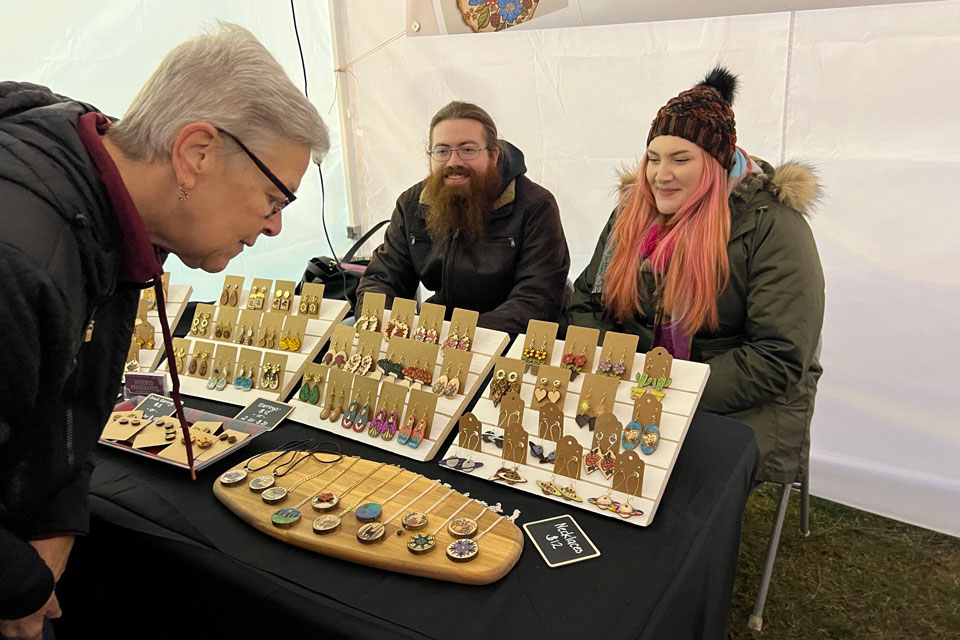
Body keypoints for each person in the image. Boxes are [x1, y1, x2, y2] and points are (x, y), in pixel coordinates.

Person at [0, 23, 328, 639]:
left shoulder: (107, 211)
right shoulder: (21, 252)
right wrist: (16, 583)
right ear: (196, 152)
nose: (277, 227)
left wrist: (58, 519)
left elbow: (75, 396)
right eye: (273, 196)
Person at [569, 67, 824, 484]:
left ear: (714, 164)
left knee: (673, 486)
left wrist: (668, 393)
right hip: (637, 380)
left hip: (734, 400)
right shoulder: (630, 214)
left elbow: (777, 356)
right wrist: (620, 373)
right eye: (653, 158)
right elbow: (587, 301)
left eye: (680, 159)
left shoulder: (771, 227)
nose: (660, 174)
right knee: (577, 450)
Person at [355, 101, 570, 335]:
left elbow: (536, 300)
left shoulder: (535, 207)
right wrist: (380, 323)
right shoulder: (411, 205)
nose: (454, 162)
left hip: (511, 341)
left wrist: (459, 337)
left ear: (493, 155)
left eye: (468, 150)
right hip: (440, 333)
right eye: (442, 150)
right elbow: (382, 278)